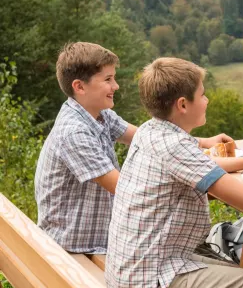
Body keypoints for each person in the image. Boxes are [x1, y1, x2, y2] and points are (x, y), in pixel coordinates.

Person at [105, 57, 243, 288]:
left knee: (240, 271)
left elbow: (200, 166)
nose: (207, 101)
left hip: (131, 268)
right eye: (203, 95)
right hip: (150, 281)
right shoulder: (175, 146)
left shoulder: (150, 132)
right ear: (183, 104)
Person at [34, 42, 230, 254]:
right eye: (108, 79)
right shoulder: (74, 133)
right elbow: (127, 190)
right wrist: (194, 172)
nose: (116, 86)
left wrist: (202, 142)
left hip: (97, 239)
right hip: (77, 248)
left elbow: (148, 138)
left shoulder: (98, 114)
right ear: (79, 87)